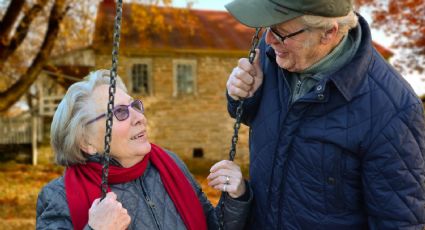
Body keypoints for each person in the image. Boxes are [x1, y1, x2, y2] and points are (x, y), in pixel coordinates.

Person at [224, 0, 425, 229]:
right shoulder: (274, 54)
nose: (269, 40)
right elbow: (258, 119)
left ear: (329, 32)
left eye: (281, 33)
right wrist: (243, 95)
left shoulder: (392, 109)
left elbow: (397, 222)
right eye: (268, 28)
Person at [36, 69, 252, 230]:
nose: (139, 117)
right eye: (120, 112)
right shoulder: (58, 196)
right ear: (86, 142)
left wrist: (236, 196)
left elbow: (212, 226)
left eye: (135, 106)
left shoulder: (169, 164)